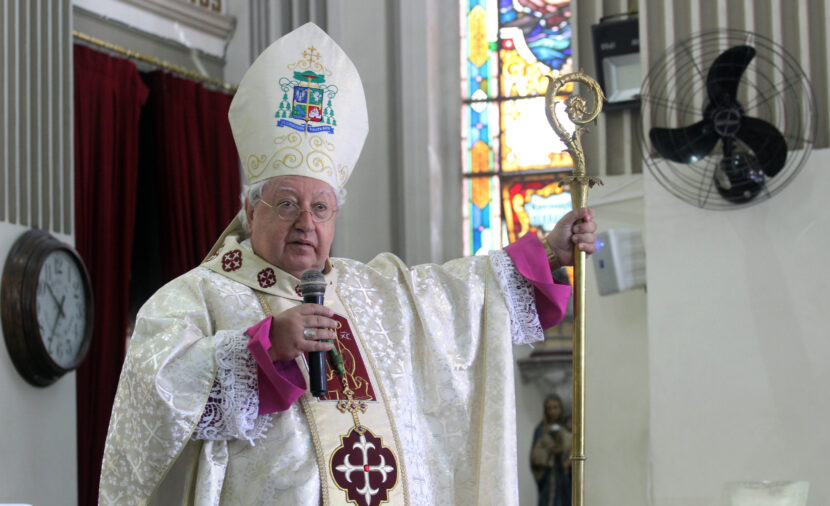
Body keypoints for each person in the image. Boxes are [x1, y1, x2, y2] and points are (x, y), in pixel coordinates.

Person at [99, 23, 597, 506]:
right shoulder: (196, 298)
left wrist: (548, 253)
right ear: (250, 210)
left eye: (320, 208)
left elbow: (458, 300)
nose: (305, 224)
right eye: (286, 203)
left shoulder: (376, 292)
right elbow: (154, 403)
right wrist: (263, 350)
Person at [530, 395, 573, 506]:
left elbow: (573, 449)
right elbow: (535, 457)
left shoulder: (568, 426)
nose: (552, 411)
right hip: (548, 476)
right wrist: (549, 450)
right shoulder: (540, 429)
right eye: (549, 408)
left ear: (561, 408)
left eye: (555, 407)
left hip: (564, 475)